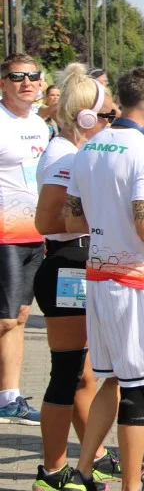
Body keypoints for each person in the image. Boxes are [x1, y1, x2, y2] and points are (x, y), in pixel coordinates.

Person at [59, 67, 144, 491]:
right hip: (136, 282)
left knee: (113, 379)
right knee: (137, 389)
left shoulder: (88, 149)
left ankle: (80, 471)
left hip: (99, 278)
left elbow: (72, 221)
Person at [31, 64, 122, 491]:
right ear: (85, 117)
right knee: (66, 373)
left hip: (78, 264)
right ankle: (52, 470)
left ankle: (93, 454)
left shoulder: (77, 151)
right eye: (105, 117)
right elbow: (47, 219)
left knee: (84, 374)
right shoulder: (65, 155)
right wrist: (107, 216)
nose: (109, 124)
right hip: (66, 266)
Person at [0, 54, 49, 426]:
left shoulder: (39, 124)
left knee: (17, 317)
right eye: (17, 77)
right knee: (3, 319)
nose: (26, 82)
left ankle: (9, 396)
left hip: (35, 232)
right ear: (3, 83)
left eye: (33, 76)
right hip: (4, 236)